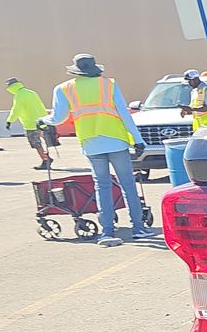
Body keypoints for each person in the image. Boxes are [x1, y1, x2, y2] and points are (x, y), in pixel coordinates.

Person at [51, 54, 151, 248]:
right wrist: (138, 140)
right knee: (128, 185)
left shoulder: (64, 89)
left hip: (91, 143)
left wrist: (43, 121)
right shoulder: (109, 84)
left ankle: (107, 231)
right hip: (116, 141)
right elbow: (124, 113)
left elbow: (58, 118)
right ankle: (138, 228)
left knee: (102, 186)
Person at [4, 77, 54, 169]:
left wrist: (9, 121)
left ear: (11, 87)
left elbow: (16, 110)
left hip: (30, 124)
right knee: (45, 141)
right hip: (41, 121)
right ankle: (47, 157)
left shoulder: (19, 96)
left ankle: (45, 160)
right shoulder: (31, 92)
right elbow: (40, 106)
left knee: (36, 143)